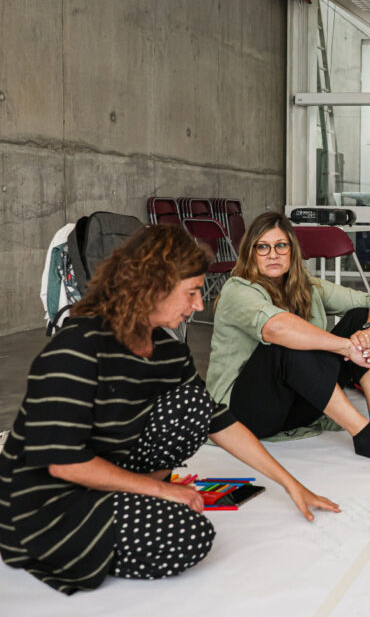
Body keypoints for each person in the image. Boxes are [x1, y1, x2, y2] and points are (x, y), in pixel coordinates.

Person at [0, 225, 339, 595]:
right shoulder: (77, 347)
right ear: (153, 287)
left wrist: (292, 485)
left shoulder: (168, 351)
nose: (199, 305)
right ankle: (71, 539)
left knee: (193, 404)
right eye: (191, 293)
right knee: (190, 536)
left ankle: (122, 506)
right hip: (47, 500)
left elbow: (217, 420)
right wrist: (159, 491)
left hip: (106, 469)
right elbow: (63, 462)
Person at [207, 212, 370, 466]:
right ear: (251, 253)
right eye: (263, 247)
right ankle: (364, 435)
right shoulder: (237, 289)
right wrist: (347, 347)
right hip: (245, 413)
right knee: (287, 344)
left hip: (296, 407)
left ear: (292, 250)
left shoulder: (306, 285)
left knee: (360, 317)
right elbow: (275, 328)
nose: (273, 254)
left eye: (281, 245)